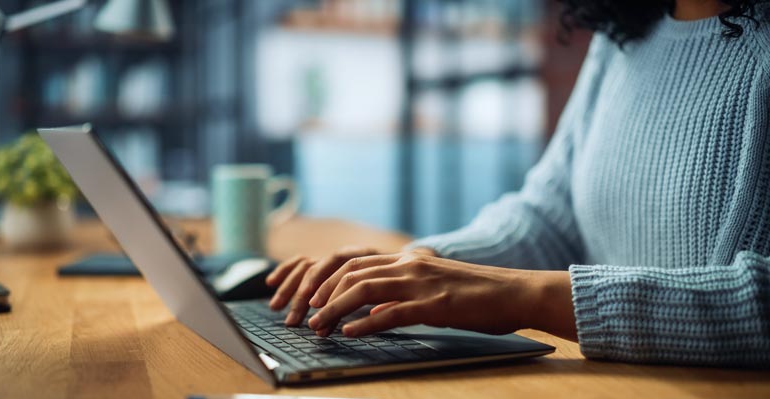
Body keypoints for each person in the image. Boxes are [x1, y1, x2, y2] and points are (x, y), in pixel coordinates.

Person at [265, 0, 770, 367]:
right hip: (606, 396)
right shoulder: (627, 32)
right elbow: (551, 215)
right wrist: (417, 267)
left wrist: (523, 297)